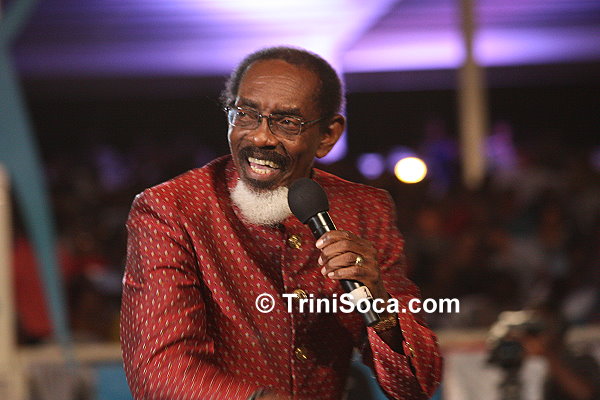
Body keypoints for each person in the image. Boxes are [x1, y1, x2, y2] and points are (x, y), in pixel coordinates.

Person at [120, 46, 442, 400]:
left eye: (287, 122)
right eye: (245, 115)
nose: (261, 137)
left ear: (328, 135)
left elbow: (416, 385)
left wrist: (378, 303)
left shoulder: (365, 210)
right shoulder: (172, 209)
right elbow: (158, 372)